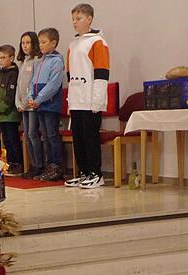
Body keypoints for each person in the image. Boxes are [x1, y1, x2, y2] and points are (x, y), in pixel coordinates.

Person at [64, 3, 110, 189]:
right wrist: (70, 101)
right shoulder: (73, 44)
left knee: (91, 137)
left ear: (89, 19)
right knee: (79, 138)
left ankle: (96, 174)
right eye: (73, 19)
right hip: (76, 100)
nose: (75, 22)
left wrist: (97, 100)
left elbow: (101, 74)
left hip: (91, 99)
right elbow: (69, 75)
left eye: (79, 18)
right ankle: (83, 172)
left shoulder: (98, 42)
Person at [27, 28, 65, 182]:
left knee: (52, 135)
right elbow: (32, 82)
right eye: (40, 42)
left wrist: (39, 99)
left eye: (44, 42)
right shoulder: (39, 61)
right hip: (39, 105)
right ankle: (48, 166)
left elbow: (53, 84)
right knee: (45, 137)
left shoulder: (57, 61)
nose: (40, 45)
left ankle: (56, 167)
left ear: (53, 43)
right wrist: (31, 96)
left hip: (49, 104)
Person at [15, 32, 46, 179]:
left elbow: (33, 84)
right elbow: (19, 85)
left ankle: (39, 165)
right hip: (23, 105)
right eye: (23, 43)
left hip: (32, 104)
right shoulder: (23, 62)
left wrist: (27, 103)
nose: (25, 46)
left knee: (33, 134)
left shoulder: (37, 60)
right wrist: (18, 102)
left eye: (28, 42)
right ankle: (33, 164)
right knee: (27, 135)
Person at [0, 45, 23, 175]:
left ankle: (18, 164)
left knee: (13, 139)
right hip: (0, 114)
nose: (0, 60)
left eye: (3, 57)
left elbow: (10, 95)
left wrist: (0, 108)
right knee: (7, 141)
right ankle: (10, 163)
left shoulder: (14, 74)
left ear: (11, 57)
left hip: (10, 114)